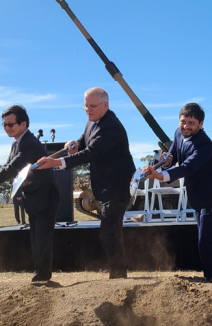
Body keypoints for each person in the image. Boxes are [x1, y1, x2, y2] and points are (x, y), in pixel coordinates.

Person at [37, 87, 135, 279]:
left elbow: (92, 152)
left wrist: (58, 162)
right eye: (85, 106)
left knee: (109, 231)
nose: (88, 110)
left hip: (118, 186)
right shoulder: (92, 122)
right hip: (104, 186)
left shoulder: (111, 126)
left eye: (92, 106)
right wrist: (74, 145)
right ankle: (117, 269)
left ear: (105, 105)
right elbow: (84, 142)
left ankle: (118, 275)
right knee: (108, 231)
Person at [0, 105, 61, 283]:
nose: (7, 128)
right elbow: (8, 167)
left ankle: (42, 276)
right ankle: (40, 274)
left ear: (23, 123)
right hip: (32, 196)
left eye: (11, 124)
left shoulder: (29, 143)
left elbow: (11, 169)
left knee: (42, 239)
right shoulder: (17, 142)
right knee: (35, 238)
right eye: (4, 125)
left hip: (45, 196)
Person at [141, 103, 212, 283]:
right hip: (196, 194)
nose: (186, 126)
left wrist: (160, 175)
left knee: (205, 239)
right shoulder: (178, 134)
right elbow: (172, 157)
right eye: (183, 122)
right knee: (205, 237)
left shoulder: (204, 144)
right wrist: (163, 163)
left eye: (191, 123)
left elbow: (187, 168)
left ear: (201, 124)